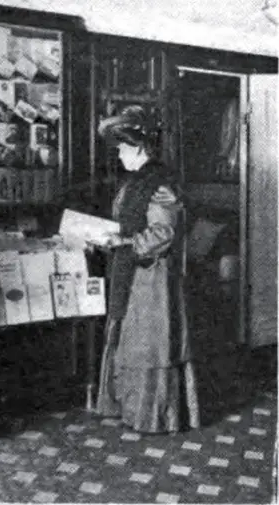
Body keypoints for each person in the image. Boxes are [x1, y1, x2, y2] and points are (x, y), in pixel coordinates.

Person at [93, 105, 200, 433]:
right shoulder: (136, 181)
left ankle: (152, 416)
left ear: (139, 147)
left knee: (149, 342)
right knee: (132, 337)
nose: (119, 154)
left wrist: (123, 242)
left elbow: (163, 234)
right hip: (133, 272)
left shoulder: (158, 183)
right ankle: (129, 408)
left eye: (123, 147)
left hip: (151, 276)